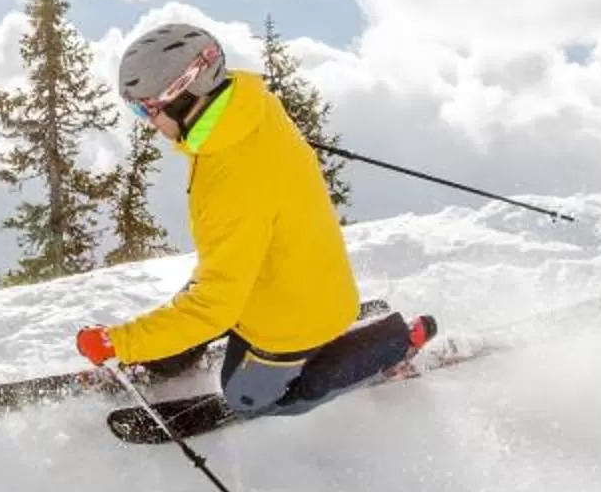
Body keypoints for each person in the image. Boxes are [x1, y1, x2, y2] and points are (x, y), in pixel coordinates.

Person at [74, 22, 428, 419]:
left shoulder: (229, 179)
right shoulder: (245, 104)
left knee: (249, 398)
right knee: (210, 281)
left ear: (182, 93)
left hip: (294, 318)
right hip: (284, 271)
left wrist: (117, 343)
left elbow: (213, 308)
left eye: (145, 109)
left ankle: (394, 346)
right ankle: (165, 359)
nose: (146, 122)